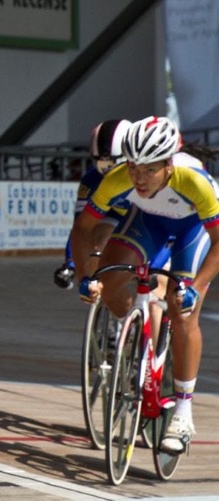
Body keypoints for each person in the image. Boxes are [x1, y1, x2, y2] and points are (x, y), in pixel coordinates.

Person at [75, 115, 219, 454]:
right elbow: (84, 229)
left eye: (148, 170)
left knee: (184, 311)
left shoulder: (194, 182)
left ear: (168, 164)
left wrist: (196, 286)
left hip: (192, 230)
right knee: (109, 283)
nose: (138, 179)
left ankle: (183, 411)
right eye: (134, 168)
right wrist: (85, 275)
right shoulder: (117, 178)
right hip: (148, 222)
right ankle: (138, 333)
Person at [54, 119, 131, 289]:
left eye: (111, 164)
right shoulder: (92, 179)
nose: (106, 171)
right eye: (100, 163)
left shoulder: (143, 178)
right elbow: (81, 227)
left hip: (149, 219)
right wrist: (71, 263)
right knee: (97, 239)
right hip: (117, 214)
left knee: (160, 286)